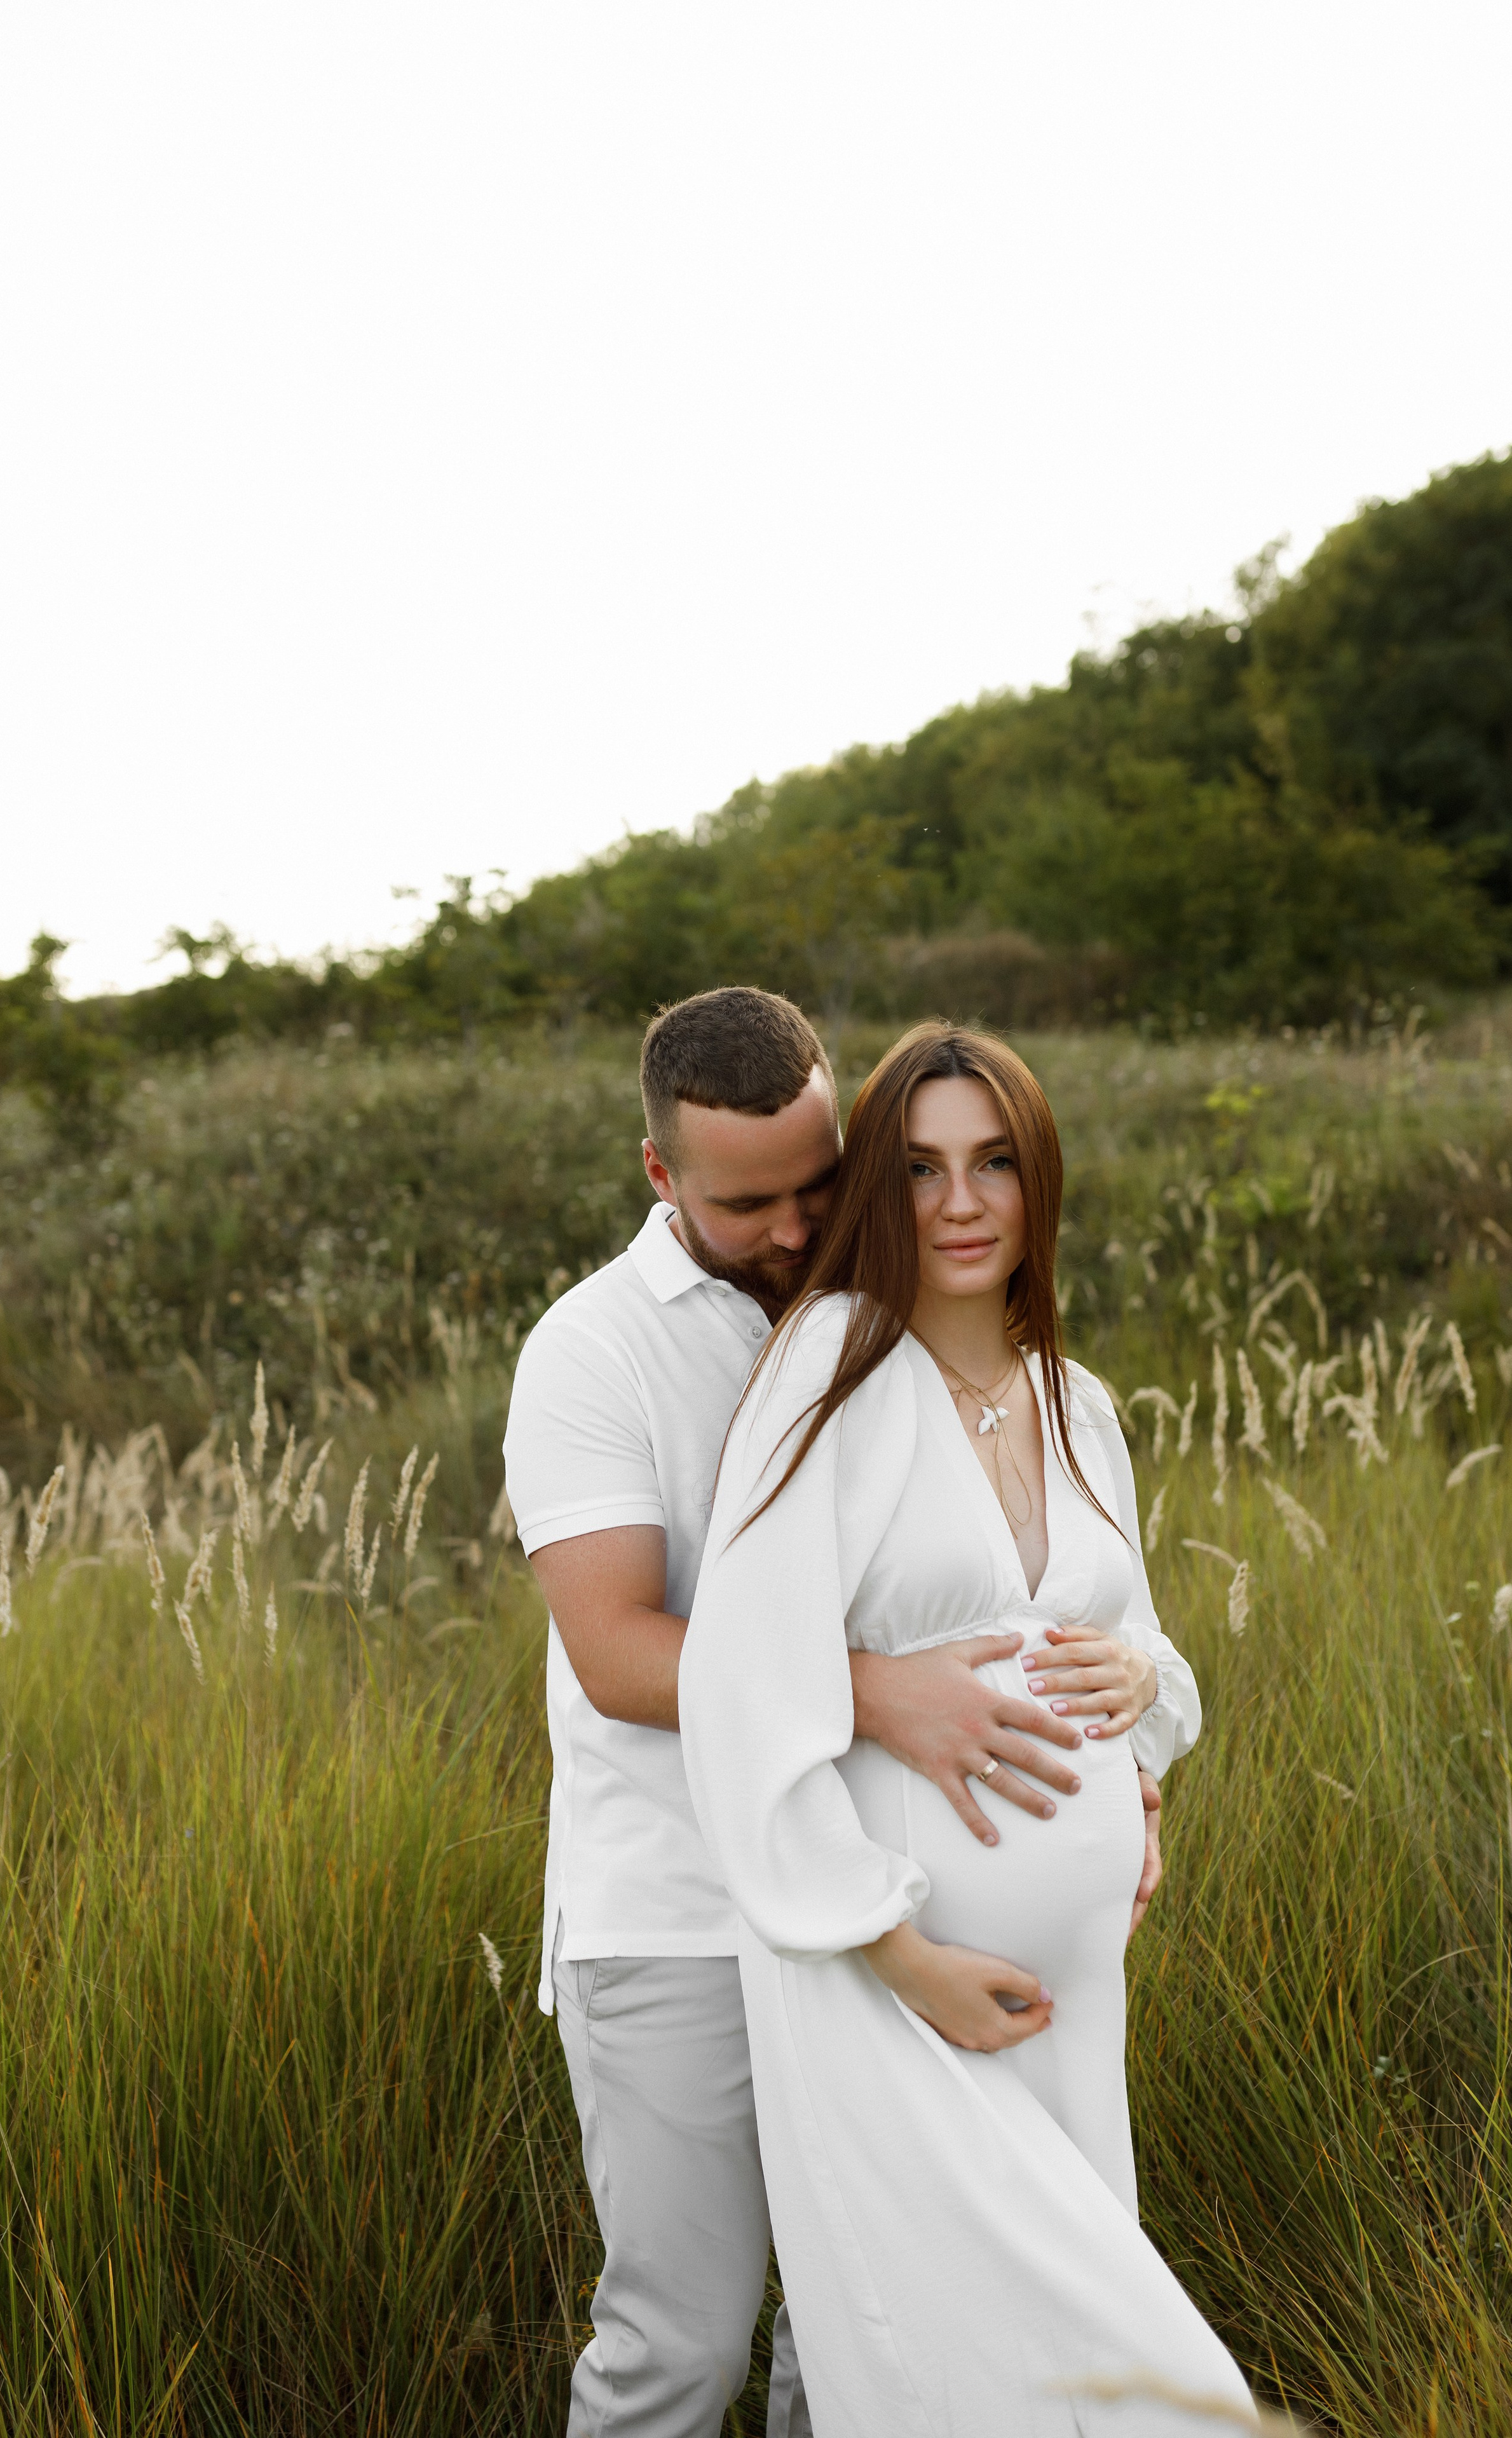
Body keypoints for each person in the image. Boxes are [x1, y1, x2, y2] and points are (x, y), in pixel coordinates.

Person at [503, 990, 1171, 2438]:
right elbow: (620, 1652)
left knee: (862, 2324)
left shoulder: (974, 1366)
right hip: (679, 1904)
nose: (799, 1227)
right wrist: (877, 1697)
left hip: (906, 1912)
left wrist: (1134, 1757)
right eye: (752, 1202)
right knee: (681, 2338)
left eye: (823, 1181)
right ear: (659, 1175)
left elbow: (1085, 1626)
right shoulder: (595, 1350)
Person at [679, 1021, 1255, 2437]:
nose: (957, 1202)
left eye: (992, 1162)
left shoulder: (1078, 1402)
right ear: (877, 1184)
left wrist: (1140, 1698)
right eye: (922, 1167)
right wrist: (897, 1951)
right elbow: (739, 1694)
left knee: (1054, 2382)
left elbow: (1130, 1636)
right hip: (891, 1984)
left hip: (1067, 1997)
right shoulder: (829, 1367)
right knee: (1072, 2385)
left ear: (1036, 1179)